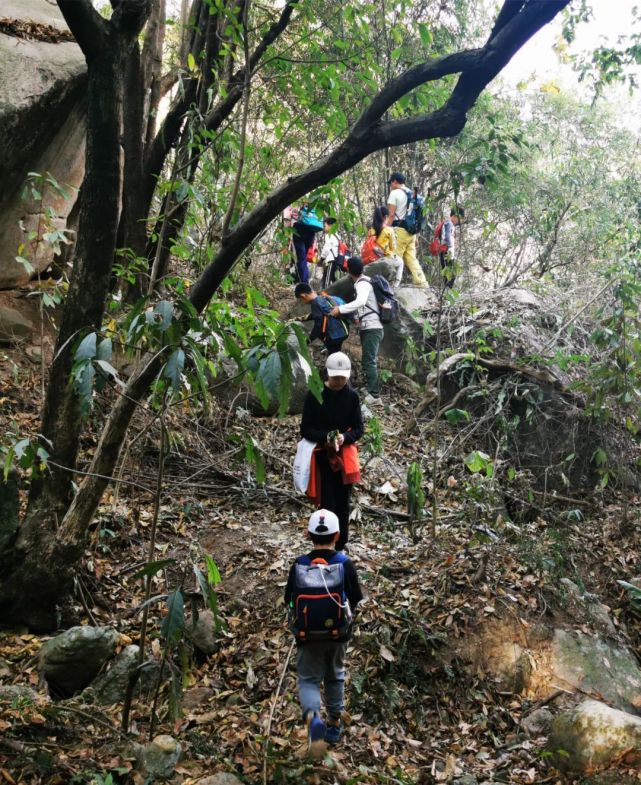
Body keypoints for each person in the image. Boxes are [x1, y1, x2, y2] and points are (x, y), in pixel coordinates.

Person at [285, 508, 363, 752]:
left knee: (308, 681)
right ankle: (333, 725)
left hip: (307, 636)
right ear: (337, 535)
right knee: (335, 674)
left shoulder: (299, 564)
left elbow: (289, 600)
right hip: (337, 634)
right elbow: (356, 599)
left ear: (308, 535)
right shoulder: (345, 564)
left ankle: (314, 728)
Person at [300, 352, 364, 551]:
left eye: (343, 378)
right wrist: (325, 437)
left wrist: (345, 437)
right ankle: (324, 544)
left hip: (344, 456)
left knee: (343, 502)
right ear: (328, 374)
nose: (339, 382)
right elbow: (305, 429)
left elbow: (359, 428)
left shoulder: (352, 396)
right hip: (321, 456)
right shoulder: (316, 394)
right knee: (326, 502)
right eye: (335, 377)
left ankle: (341, 544)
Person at [329, 257, 383, 405]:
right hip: (370, 326)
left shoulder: (362, 284)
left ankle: (375, 396)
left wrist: (339, 308)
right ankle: (371, 389)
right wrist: (358, 317)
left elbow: (361, 302)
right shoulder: (365, 281)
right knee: (368, 359)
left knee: (368, 360)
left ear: (348, 271)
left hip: (373, 327)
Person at [385, 172, 428, 288]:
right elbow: (417, 216)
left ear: (394, 181)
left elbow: (391, 215)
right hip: (411, 232)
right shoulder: (412, 193)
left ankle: (391, 285)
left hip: (399, 231)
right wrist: (417, 235)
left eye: (391, 183)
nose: (390, 185)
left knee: (395, 258)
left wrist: (384, 229)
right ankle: (422, 283)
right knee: (411, 258)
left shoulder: (395, 193)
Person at [294, 282, 350, 355]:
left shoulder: (315, 303)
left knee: (333, 356)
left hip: (333, 336)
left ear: (303, 296)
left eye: (301, 299)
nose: (303, 302)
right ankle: (335, 354)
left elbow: (318, 326)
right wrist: (301, 318)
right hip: (343, 331)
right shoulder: (322, 297)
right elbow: (320, 314)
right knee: (336, 350)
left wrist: (308, 340)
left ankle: (335, 362)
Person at [363, 206, 404, 287]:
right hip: (384, 257)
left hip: (371, 259)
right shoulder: (388, 230)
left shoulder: (371, 230)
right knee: (400, 262)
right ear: (385, 217)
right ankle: (395, 285)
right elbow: (393, 248)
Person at [439, 206, 464, 289]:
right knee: (452, 273)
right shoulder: (448, 223)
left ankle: (446, 292)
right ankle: (448, 291)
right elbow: (447, 236)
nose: (459, 221)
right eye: (459, 218)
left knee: (447, 273)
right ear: (455, 216)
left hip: (444, 250)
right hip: (447, 252)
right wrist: (451, 245)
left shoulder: (447, 223)